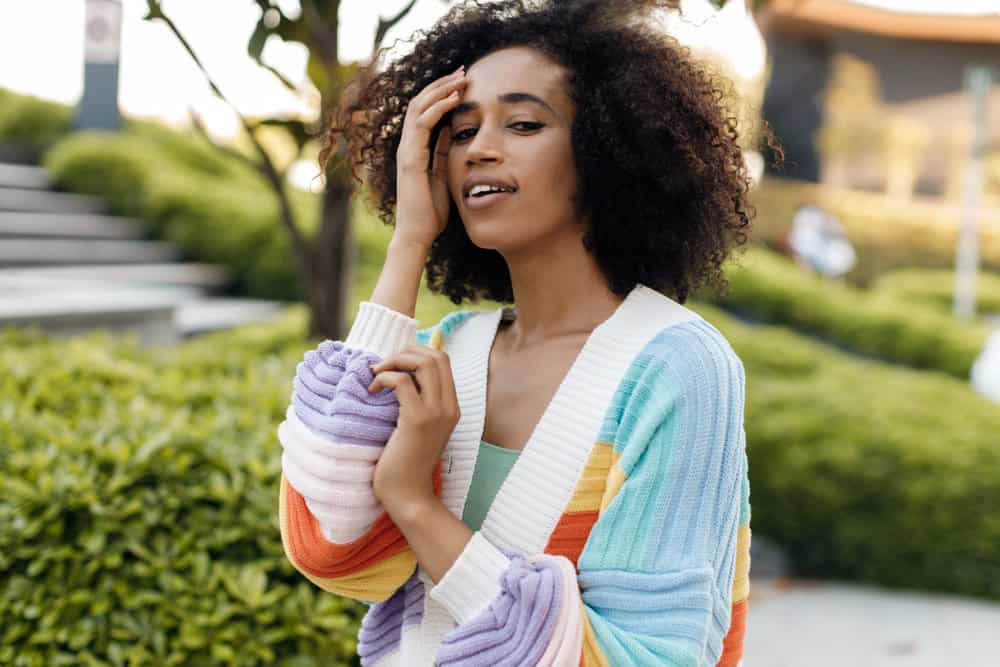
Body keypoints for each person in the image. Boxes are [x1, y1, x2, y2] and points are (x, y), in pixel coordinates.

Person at [278, 1, 771, 664]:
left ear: (603, 149)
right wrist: (410, 238)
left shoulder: (677, 368)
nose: (479, 148)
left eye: (523, 122)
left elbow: (647, 653)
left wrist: (414, 504)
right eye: (459, 130)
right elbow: (328, 542)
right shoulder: (451, 350)